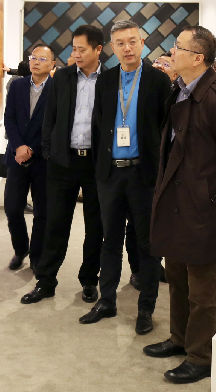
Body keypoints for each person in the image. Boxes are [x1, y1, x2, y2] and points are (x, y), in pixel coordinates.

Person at [143, 26, 216, 385]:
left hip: (204, 208)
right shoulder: (179, 89)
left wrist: (213, 196)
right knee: (176, 276)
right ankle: (180, 338)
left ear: (198, 58)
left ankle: (201, 356)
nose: (172, 52)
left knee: (204, 288)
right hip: (176, 202)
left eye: (178, 47)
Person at [80, 21, 172, 335]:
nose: (127, 48)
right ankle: (106, 300)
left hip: (144, 175)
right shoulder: (106, 80)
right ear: (112, 48)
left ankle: (146, 309)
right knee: (110, 241)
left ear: (143, 42)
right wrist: (99, 171)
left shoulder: (159, 81)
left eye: (132, 41)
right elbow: (97, 125)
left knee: (147, 244)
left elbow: (167, 130)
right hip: (111, 175)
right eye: (120, 43)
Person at [21, 25, 105, 305]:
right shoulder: (62, 78)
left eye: (82, 49)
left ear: (98, 50)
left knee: (95, 227)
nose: (76, 54)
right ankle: (46, 281)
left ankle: (89, 280)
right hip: (62, 162)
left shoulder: (110, 80)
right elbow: (50, 119)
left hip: (95, 164)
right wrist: (49, 152)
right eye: (74, 49)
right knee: (55, 223)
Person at [2, 46, 54, 271]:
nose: (36, 62)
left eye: (42, 58)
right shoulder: (17, 85)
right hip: (17, 157)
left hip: (43, 159)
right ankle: (21, 248)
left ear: (52, 64)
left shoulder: (57, 89)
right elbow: (9, 118)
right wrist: (19, 146)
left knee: (42, 211)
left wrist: (31, 148)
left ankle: (37, 255)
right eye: (33, 57)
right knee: (12, 208)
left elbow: (55, 125)